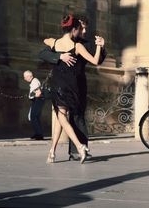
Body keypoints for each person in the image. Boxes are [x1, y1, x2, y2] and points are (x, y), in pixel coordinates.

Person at [39, 15, 106, 161]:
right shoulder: (77, 46)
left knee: (61, 117)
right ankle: (52, 151)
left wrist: (58, 53)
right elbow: (95, 60)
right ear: (75, 29)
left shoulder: (55, 42)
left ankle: (79, 146)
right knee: (60, 117)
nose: (83, 31)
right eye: (81, 28)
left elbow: (45, 40)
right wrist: (60, 56)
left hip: (59, 85)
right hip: (71, 86)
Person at [23, 70, 45, 140]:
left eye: (25, 77)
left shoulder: (35, 81)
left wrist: (33, 97)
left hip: (37, 100)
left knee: (34, 116)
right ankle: (37, 133)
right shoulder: (33, 81)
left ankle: (39, 134)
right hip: (36, 100)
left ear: (29, 76)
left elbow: (38, 93)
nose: (24, 79)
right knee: (34, 117)